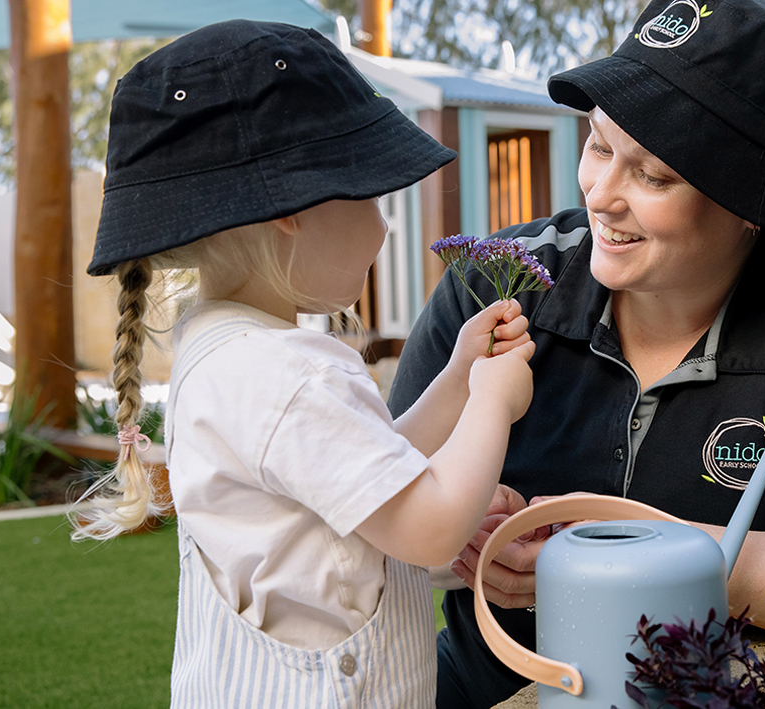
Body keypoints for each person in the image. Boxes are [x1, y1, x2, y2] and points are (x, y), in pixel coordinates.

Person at [387, 0, 765, 706]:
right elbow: (371, 501)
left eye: (653, 176)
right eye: (598, 146)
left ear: (756, 201)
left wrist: (632, 559)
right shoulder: (496, 280)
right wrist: (459, 539)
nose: (600, 195)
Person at [74, 20, 536, 708]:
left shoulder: (220, 347)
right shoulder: (288, 374)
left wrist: (457, 381)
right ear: (292, 209)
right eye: (371, 198)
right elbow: (429, 526)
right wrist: (493, 403)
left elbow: (360, 474)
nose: (384, 225)